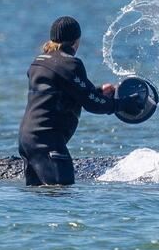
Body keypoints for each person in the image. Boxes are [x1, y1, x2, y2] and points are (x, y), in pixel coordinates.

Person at [17, 16, 145, 186]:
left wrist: (97, 91)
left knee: (38, 196)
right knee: (61, 191)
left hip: (27, 139)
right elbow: (93, 104)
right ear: (76, 40)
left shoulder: (39, 62)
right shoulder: (70, 64)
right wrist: (122, 104)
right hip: (47, 142)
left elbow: (62, 94)